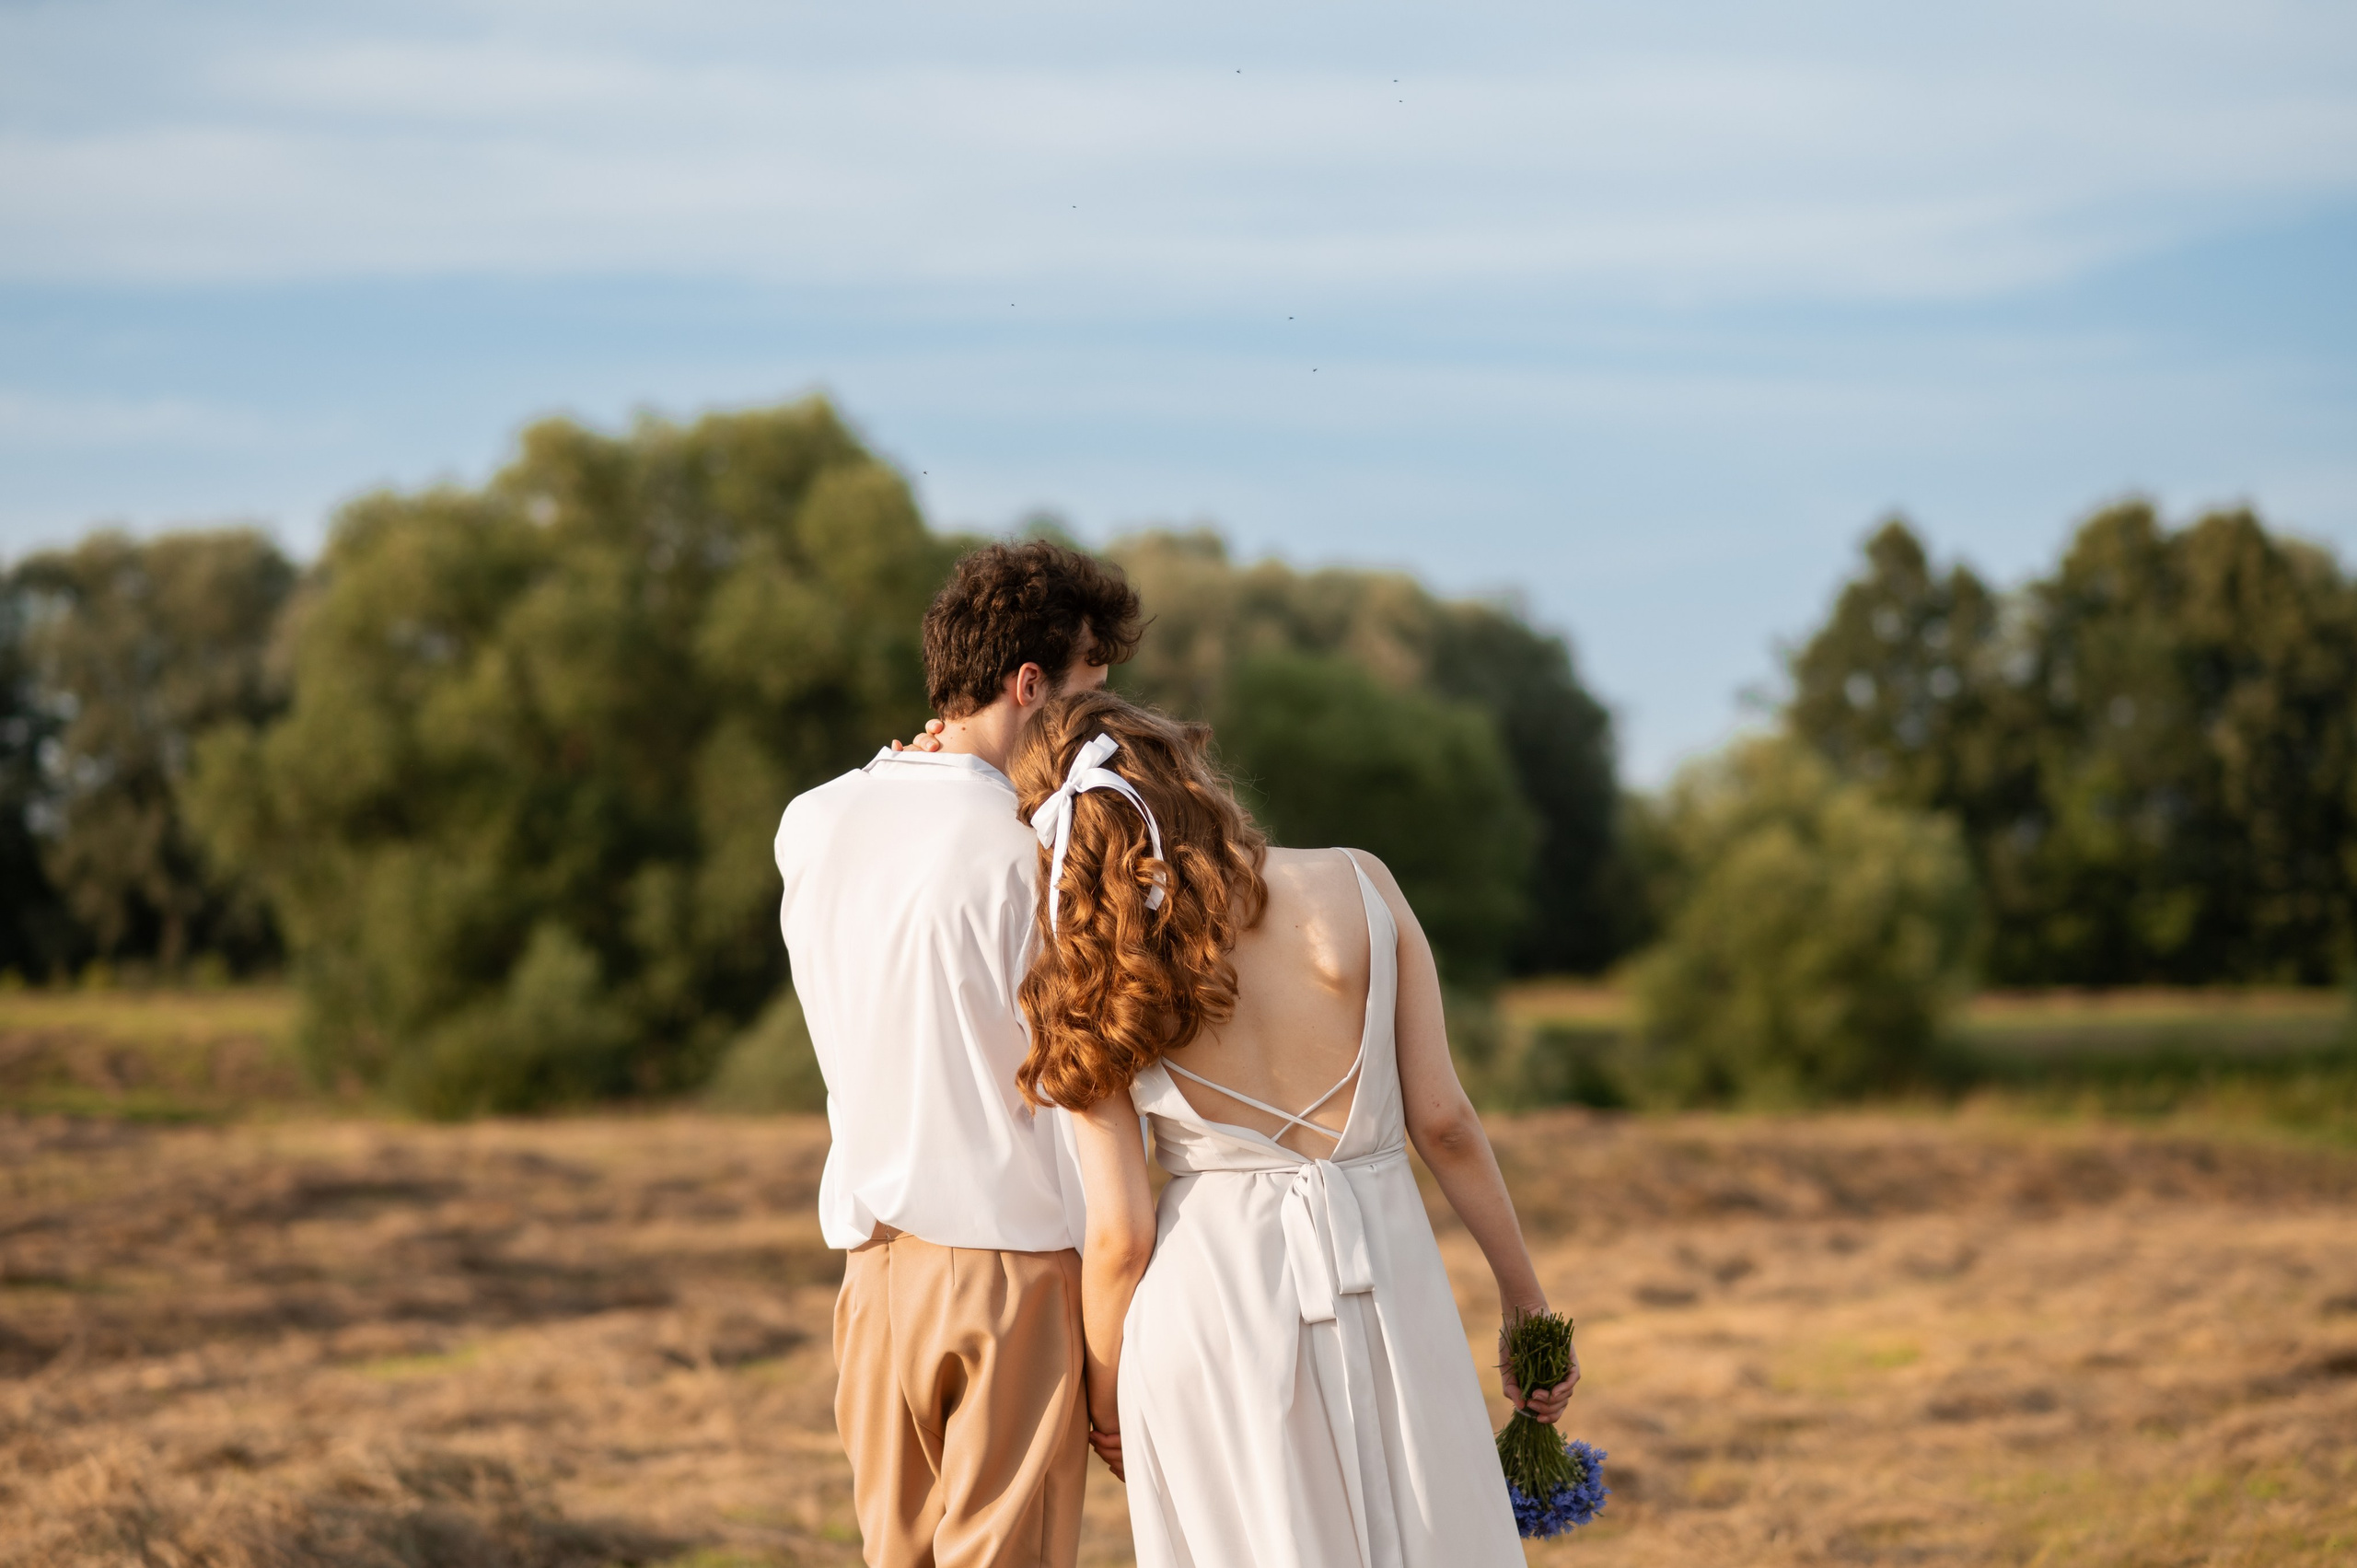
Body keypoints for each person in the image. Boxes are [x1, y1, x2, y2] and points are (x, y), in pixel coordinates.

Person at [1007, 687, 1577, 1568]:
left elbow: (1120, 1235)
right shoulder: (1360, 881)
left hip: (1214, 1306)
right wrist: (1524, 1300)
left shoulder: (1093, 970)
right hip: (1385, 1275)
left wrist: (1110, 1396)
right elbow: (1446, 1125)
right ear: (1188, 774)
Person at [772, 540, 1141, 1568]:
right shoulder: (1044, 844)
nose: (1098, 732)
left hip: (872, 1274)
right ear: (1029, 684)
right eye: (1088, 696)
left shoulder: (810, 821)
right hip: (1010, 1266)